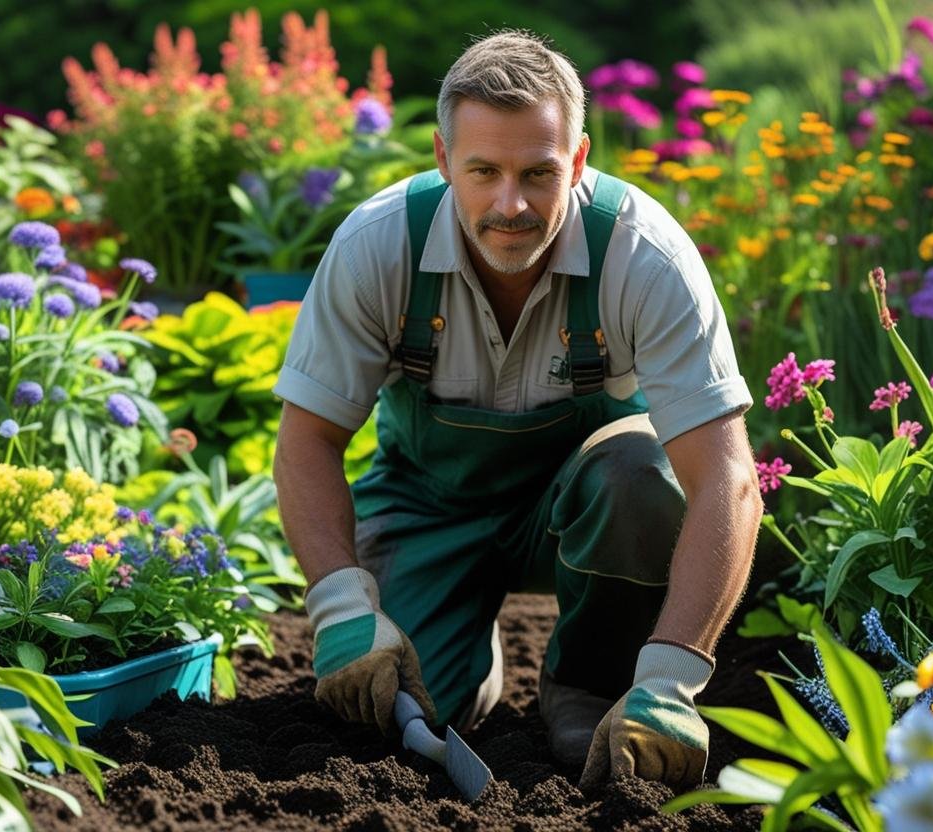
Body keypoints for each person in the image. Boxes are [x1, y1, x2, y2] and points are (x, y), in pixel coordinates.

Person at [271, 29, 762, 790]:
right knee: (402, 705)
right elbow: (308, 439)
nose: (512, 204)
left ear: (578, 159)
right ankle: (468, 650)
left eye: (539, 173)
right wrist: (340, 607)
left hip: (589, 507)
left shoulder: (642, 255)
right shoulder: (379, 246)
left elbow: (727, 481)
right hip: (429, 503)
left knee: (640, 471)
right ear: (442, 161)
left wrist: (672, 678)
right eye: (483, 171)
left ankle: (594, 682)